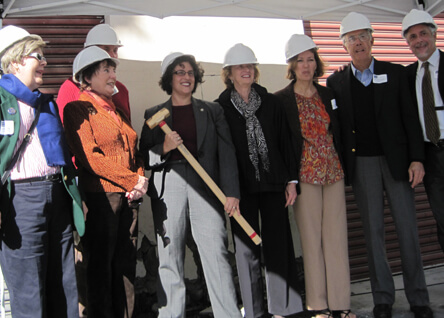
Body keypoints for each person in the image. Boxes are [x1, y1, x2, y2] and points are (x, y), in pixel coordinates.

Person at [0, 25, 85, 318]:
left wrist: (76, 200)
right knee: (29, 291)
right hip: (20, 202)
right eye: (37, 56)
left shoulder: (48, 103)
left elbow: (63, 157)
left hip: (57, 196)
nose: (44, 62)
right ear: (16, 61)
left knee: (64, 285)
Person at [326, 12, 432, 318]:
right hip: (362, 165)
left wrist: (417, 158)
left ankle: (419, 298)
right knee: (373, 234)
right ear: (344, 46)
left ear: (373, 39)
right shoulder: (335, 81)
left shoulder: (396, 73)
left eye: (362, 36)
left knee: (407, 230)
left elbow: (411, 119)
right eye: (351, 39)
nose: (358, 43)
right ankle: (382, 298)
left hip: (398, 163)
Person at [140, 52, 242, 318]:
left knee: (216, 254)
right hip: (168, 184)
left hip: (206, 186)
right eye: (179, 72)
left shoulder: (212, 110)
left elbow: (227, 153)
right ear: (168, 78)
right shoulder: (153, 114)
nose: (186, 77)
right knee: (169, 256)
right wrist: (163, 146)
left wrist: (231, 193)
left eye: (190, 73)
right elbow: (144, 159)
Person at [216, 43, 302, 318]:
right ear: (228, 73)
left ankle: (284, 308)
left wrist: (291, 181)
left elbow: (285, 142)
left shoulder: (272, 102)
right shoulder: (219, 108)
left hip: (274, 182)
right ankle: (254, 311)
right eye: (240, 66)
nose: (246, 70)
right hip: (240, 190)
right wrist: (228, 191)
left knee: (279, 244)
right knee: (245, 250)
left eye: (250, 66)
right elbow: (220, 152)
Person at [63, 46, 147, 318]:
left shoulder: (117, 111)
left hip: (127, 199)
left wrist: (139, 180)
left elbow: (133, 151)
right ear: (86, 78)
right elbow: (90, 158)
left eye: (114, 69)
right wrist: (132, 180)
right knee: (100, 269)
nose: (113, 76)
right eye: (106, 70)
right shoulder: (78, 109)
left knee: (125, 269)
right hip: (100, 199)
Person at [275, 34, 354, 318]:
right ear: (292, 65)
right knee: (311, 241)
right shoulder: (281, 101)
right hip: (304, 176)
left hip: (333, 172)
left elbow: (340, 133)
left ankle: (341, 305)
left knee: (336, 240)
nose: (306, 66)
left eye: (310, 59)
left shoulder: (329, 95)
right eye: (300, 61)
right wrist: (288, 180)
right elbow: (282, 144)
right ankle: (318, 306)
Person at [402, 9, 444, 255]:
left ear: (434, 34)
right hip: (430, 156)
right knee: (442, 220)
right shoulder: (407, 76)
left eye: (423, 34)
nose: (419, 40)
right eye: (413, 37)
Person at [57, 24, 131, 122]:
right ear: (89, 52)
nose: (112, 55)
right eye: (106, 49)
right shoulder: (70, 87)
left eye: (115, 50)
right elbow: (64, 128)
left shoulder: (122, 90)